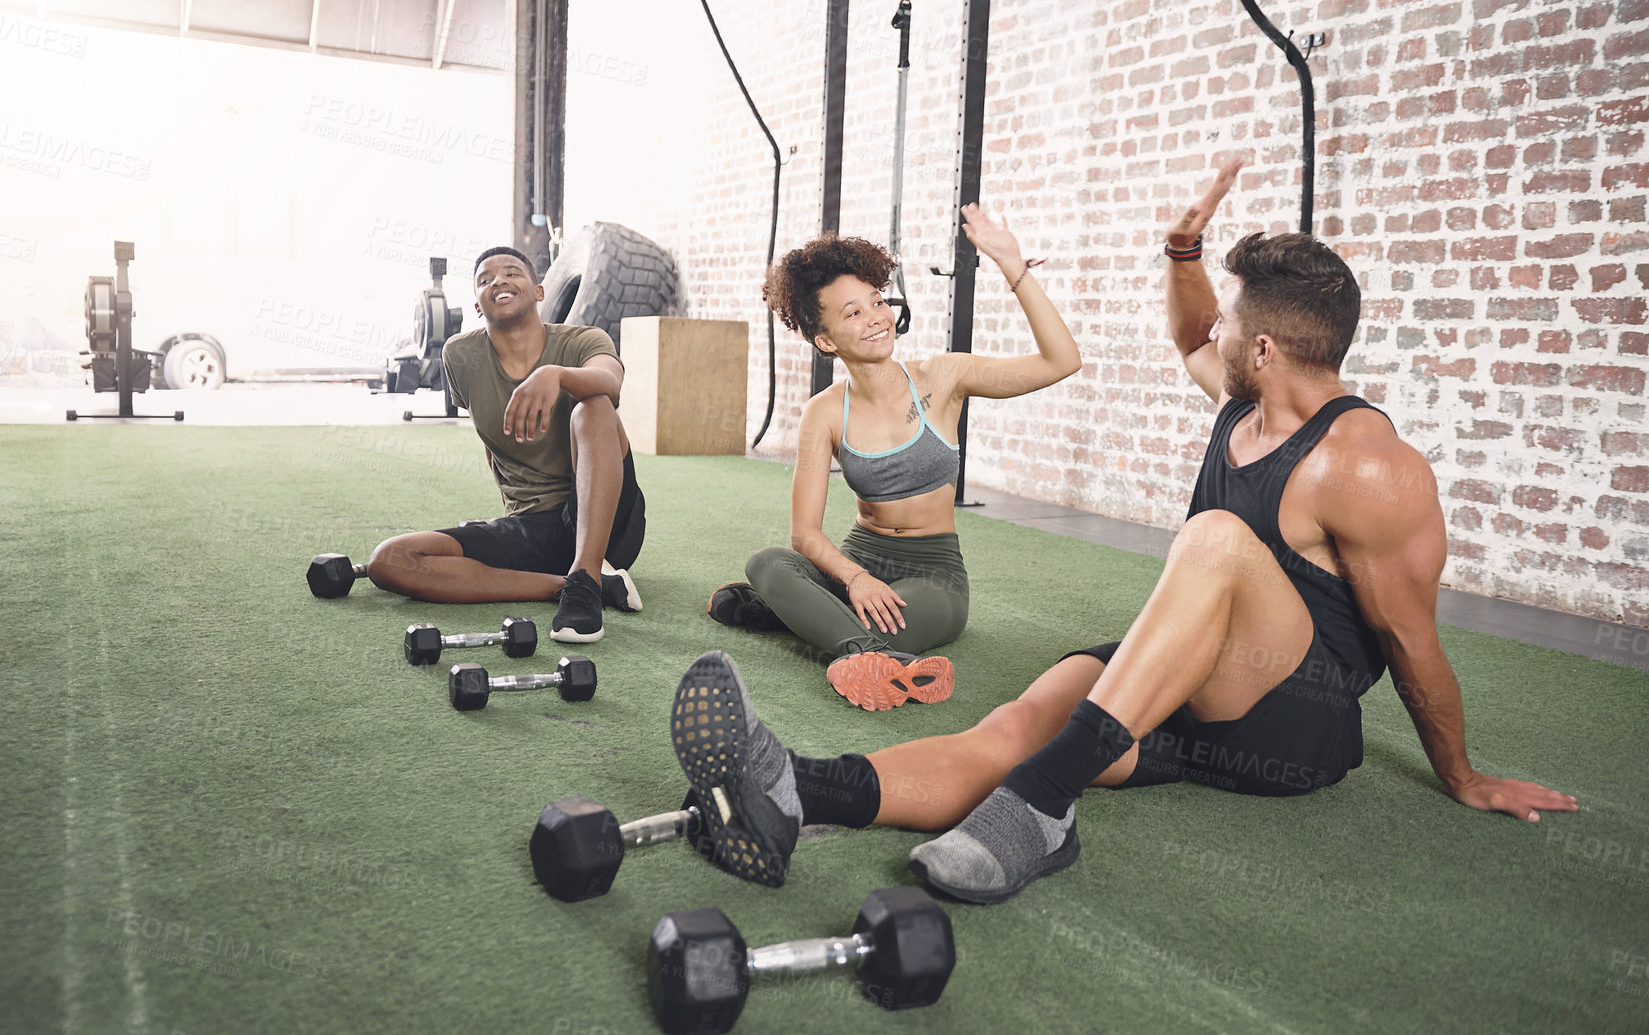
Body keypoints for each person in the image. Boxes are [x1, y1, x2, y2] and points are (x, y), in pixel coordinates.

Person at [666, 163, 1578, 900]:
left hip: (1293, 718)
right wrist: (1184, 248)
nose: (1207, 329)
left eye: (1228, 320)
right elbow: (1192, 334)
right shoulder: (1242, 395)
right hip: (1178, 676)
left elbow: (1412, 641)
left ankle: (1045, 802)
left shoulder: (1366, 463)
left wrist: (1461, 774)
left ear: (1262, 348)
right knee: (1016, 721)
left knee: (1216, 536)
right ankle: (795, 790)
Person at [707, 206, 1081, 710]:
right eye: (853, 313)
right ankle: (874, 659)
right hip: (857, 561)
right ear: (825, 340)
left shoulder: (943, 378)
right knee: (768, 562)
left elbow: (1062, 360)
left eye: (876, 301)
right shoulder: (824, 413)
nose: (877, 318)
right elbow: (806, 535)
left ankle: (806, 622)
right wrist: (856, 578)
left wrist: (1014, 268)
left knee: (896, 626)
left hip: (934, 574)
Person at [363, 246, 645, 643]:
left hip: (610, 522)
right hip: (532, 526)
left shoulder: (583, 341)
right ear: (478, 305)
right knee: (390, 560)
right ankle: (568, 585)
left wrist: (555, 375)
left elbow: (611, 384)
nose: (499, 280)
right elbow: (490, 437)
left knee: (594, 407)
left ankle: (586, 579)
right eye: (485, 279)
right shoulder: (460, 356)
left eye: (512, 272)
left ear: (539, 291)